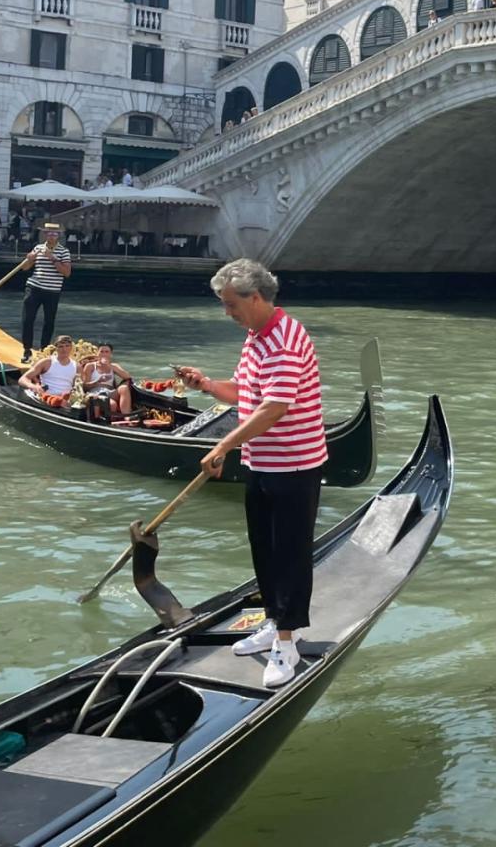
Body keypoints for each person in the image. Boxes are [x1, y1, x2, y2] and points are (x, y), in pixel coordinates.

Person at [178, 259, 329, 689]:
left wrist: (224, 444)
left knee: (290, 553)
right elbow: (247, 394)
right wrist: (206, 384)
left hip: (296, 463)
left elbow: (274, 407)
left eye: (230, 304)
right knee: (263, 548)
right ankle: (272, 619)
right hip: (261, 462)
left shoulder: (285, 338)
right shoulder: (255, 338)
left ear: (256, 297)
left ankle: (287, 640)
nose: (227, 312)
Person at [19, 222, 72, 362]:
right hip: (34, 287)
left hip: (52, 291)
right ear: (45, 234)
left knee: (49, 322)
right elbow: (24, 268)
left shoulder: (64, 251)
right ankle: (27, 350)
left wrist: (52, 258)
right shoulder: (38, 248)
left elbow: (66, 273)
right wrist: (29, 259)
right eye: (48, 233)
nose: (51, 236)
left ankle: (44, 350)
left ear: (58, 235)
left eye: (54, 233)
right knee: (27, 319)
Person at [81, 342, 133, 418]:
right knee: (112, 404)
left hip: (110, 392)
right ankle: (109, 421)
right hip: (95, 392)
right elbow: (85, 386)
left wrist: (110, 366)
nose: (104, 354)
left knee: (124, 388)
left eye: (107, 352)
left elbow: (128, 377)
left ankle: (127, 416)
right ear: (97, 353)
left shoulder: (113, 366)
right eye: (101, 351)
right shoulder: (90, 366)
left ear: (110, 354)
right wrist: (97, 382)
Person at [19, 334, 78, 401]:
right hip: (47, 398)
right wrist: (33, 386)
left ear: (71, 347)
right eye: (61, 347)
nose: (64, 349)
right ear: (56, 348)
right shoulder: (46, 362)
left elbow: (79, 386)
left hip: (67, 399)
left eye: (67, 346)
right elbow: (23, 379)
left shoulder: (76, 366)